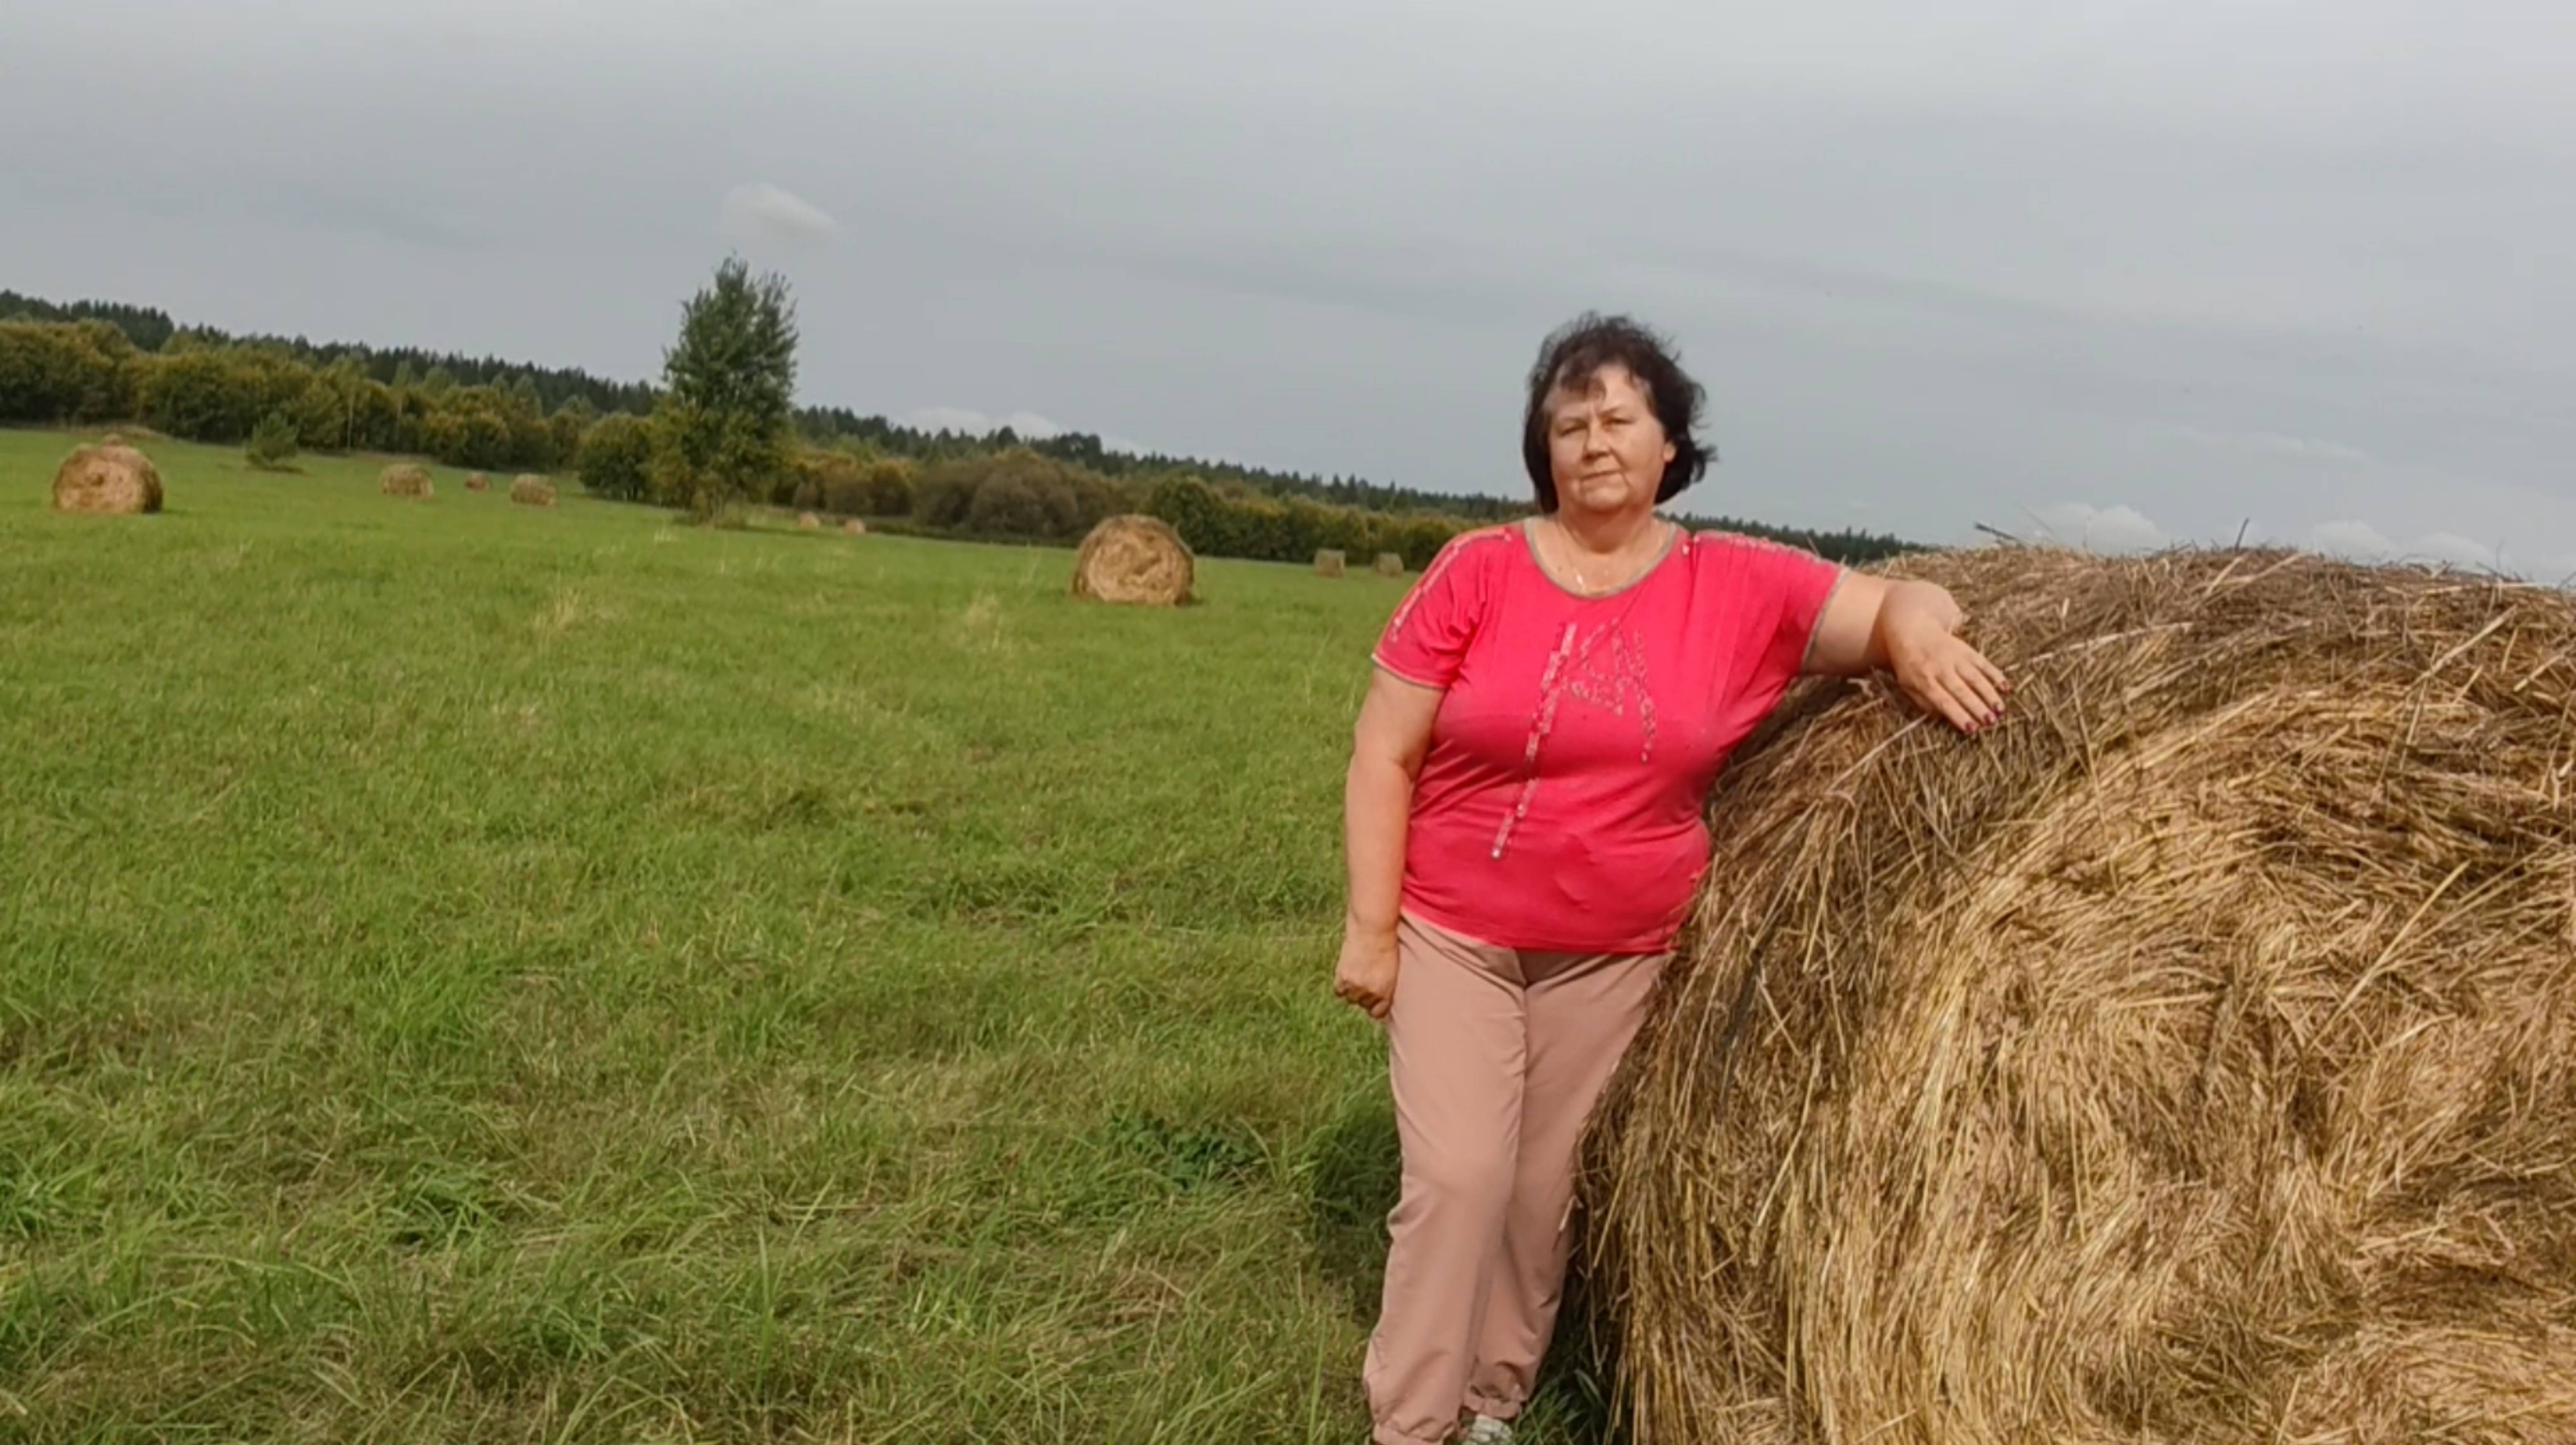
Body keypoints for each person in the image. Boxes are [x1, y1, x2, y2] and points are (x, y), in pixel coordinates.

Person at [1334, 315, 2008, 1445]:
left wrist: (1922, 637)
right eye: (1568, 424)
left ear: (1668, 444)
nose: (1593, 443)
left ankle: (1494, 1401)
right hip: (1456, 929)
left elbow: (1899, 599)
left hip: (1616, 953)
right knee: (1458, 1175)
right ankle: (1410, 1424)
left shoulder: (1737, 584)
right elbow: (1381, 751)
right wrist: (1370, 929)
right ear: (1542, 450)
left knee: (1541, 1196)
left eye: (1617, 419)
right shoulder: (1479, 570)